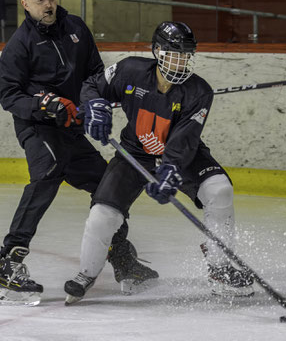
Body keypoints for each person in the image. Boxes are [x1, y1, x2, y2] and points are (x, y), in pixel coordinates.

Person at [0, 0, 157, 305]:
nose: (48, 4)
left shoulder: (76, 29)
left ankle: (122, 258)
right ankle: (8, 266)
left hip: (70, 127)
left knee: (108, 187)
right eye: (40, 0)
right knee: (48, 173)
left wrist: (93, 101)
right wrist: (45, 104)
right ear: (25, 4)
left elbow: (95, 73)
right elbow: (9, 95)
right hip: (38, 127)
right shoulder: (19, 45)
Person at [64, 21, 254, 305]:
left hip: (181, 156)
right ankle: (86, 274)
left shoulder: (199, 91)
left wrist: (170, 169)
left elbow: (184, 140)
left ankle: (220, 268)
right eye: (175, 54)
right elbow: (93, 85)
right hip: (133, 153)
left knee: (219, 191)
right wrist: (94, 106)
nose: (181, 62)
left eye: (186, 56)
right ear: (157, 51)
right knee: (103, 215)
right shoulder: (130, 70)